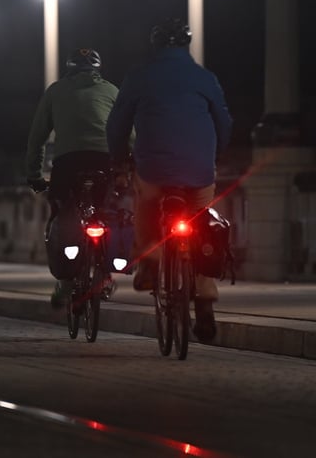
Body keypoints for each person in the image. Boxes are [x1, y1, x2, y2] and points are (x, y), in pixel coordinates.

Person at [105, 18, 232, 342]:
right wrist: (216, 155)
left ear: (156, 46)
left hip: (154, 169)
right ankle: (204, 300)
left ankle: (150, 262)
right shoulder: (204, 77)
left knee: (146, 205)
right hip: (199, 169)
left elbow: (117, 123)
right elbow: (224, 121)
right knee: (203, 220)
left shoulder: (139, 76)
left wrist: (119, 157)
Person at [25, 48, 121, 307]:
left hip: (68, 163)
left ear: (69, 68)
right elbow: (128, 132)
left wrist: (34, 175)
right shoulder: (112, 91)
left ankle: (66, 282)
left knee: (62, 212)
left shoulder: (56, 91)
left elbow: (37, 137)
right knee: (109, 212)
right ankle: (106, 273)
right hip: (104, 160)